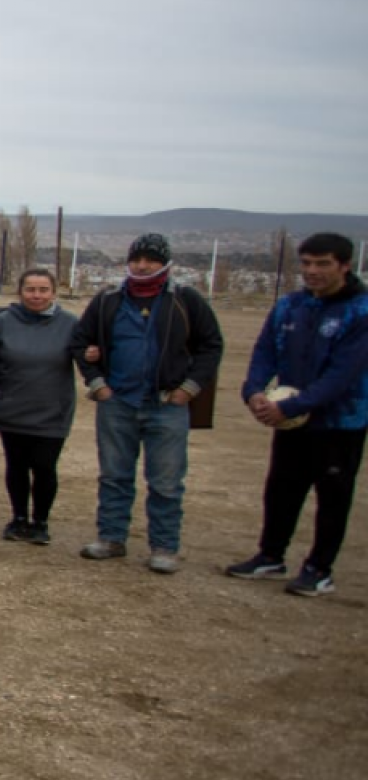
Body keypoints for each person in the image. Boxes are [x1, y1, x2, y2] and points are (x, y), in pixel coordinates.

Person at [72, 233, 225, 574]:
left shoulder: (185, 301)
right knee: (113, 475)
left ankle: (164, 547)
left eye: (151, 260)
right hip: (117, 402)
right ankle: (111, 538)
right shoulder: (108, 300)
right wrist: (97, 383)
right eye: (137, 259)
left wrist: (189, 387)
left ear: (166, 263)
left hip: (167, 404)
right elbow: (80, 342)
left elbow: (211, 345)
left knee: (166, 482)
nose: (142, 266)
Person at [227, 233, 368, 597]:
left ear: (344, 265)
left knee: (332, 496)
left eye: (322, 264)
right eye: (306, 263)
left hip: (340, 423)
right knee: (281, 489)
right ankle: (271, 555)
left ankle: (320, 568)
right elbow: (263, 353)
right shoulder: (291, 306)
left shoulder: (360, 312)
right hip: (291, 423)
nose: (312, 271)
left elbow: (342, 374)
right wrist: (255, 391)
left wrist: (289, 406)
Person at [0, 268, 81, 546]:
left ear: (53, 293)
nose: (36, 295)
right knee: (16, 465)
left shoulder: (70, 324)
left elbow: (87, 358)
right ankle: (18, 518)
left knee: (44, 466)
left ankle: (40, 521)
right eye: (30, 290)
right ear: (20, 292)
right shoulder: (2, 322)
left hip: (52, 410)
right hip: (11, 409)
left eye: (43, 290)